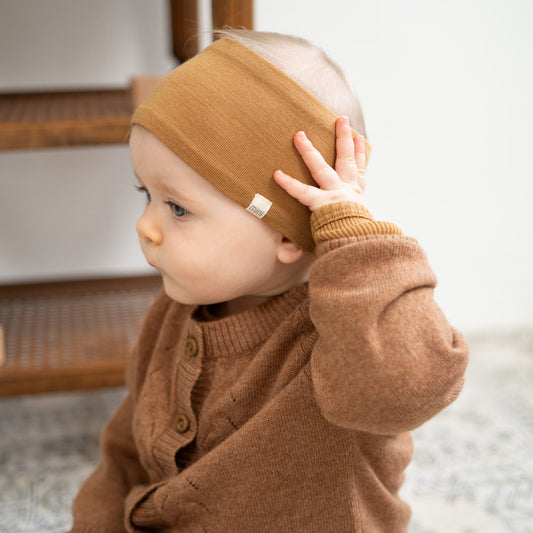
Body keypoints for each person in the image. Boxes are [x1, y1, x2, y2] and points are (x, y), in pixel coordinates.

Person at [70, 30, 468, 532]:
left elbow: (405, 390)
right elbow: (127, 452)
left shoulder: (345, 341)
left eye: (177, 208)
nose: (144, 226)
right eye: (145, 194)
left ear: (286, 232)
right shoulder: (173, 315)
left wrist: (356, 238)